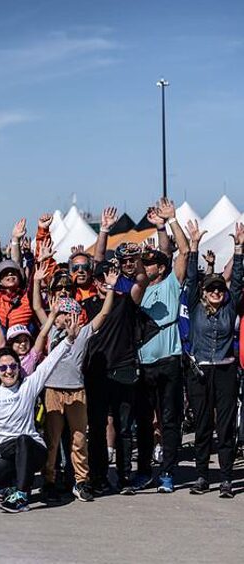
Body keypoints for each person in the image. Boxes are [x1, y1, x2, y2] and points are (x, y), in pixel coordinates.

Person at [0, 313, 80, 513]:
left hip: (32, 450)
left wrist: (69, 339)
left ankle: (21, 496)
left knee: (22, 440)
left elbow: (50, 363)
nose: (9, 371)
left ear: (19, 368)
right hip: (5, 451)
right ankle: (14, 486)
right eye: (3, 367)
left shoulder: (28, 386)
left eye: (13, 366)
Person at [37, 265, 118, 503]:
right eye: (62, 314)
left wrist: (110, 287)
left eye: (70, 314)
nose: (66, 318)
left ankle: (81, 481)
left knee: (79, 439)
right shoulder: (51, 331)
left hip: (76, 391)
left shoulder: (83, 333)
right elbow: (38, 307)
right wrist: (38, 283)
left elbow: (104, 314)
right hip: (53, 390)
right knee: (52, 440)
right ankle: (49, 480)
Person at [184, 221, 243, 498]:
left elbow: (238, 282)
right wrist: (193, 247)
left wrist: (239, 249)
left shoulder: (230, 308)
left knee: (225, 426)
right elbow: (191, 281)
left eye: (220, 289)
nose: (216, 292)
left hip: (225, 371)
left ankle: (227, 479)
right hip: (201, 372)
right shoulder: (195, 306)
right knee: (203, 425)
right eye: (211, 289)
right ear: (204, 293)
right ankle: (201, 476)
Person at [82, 254, 149, 495]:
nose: (104, 281)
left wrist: (137, 260)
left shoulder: (125, 300)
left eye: (109, 276)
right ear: (94, 282)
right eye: (100, 278)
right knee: (97, 427)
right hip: (96, 374)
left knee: (123, 428)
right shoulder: (87, 306)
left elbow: (142, 282)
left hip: (124, 370)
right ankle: (99, 477)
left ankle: (124, 476)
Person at [136, 199, 189, 494]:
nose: (147, 266)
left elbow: (183, 251)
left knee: (169, 419)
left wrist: (169, 222)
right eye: (144, 263)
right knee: (145, 421)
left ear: (161, 266)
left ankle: (167, 471)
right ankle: (144, 471)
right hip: (144, 363)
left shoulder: (171, 283)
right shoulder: (138, 289)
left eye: (151, 262)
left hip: (169, 360)